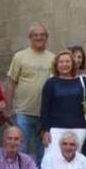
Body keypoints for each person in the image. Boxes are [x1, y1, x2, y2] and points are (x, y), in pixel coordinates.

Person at [5, 23, 54, 161]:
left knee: (43, 151)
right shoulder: (20, 57)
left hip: (44, 114)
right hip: (23, 112)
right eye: (35, 35)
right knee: (21, 150)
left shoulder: (53, 58)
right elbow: (11, 83)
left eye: (42, 35)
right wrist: (8, 108)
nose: (39, 38)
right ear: (30, 37)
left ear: (46, 37)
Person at [39, 50, 86, 157]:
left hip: (78, 128)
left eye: (67, 61)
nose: (64, 65)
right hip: (55, 129)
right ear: (56, 65)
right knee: (52, 158)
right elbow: (45, 108)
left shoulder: (83, 81)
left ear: (72, 63)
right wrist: (45, 130)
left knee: (75, 159)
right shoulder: (51, 83)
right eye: (61, 62)